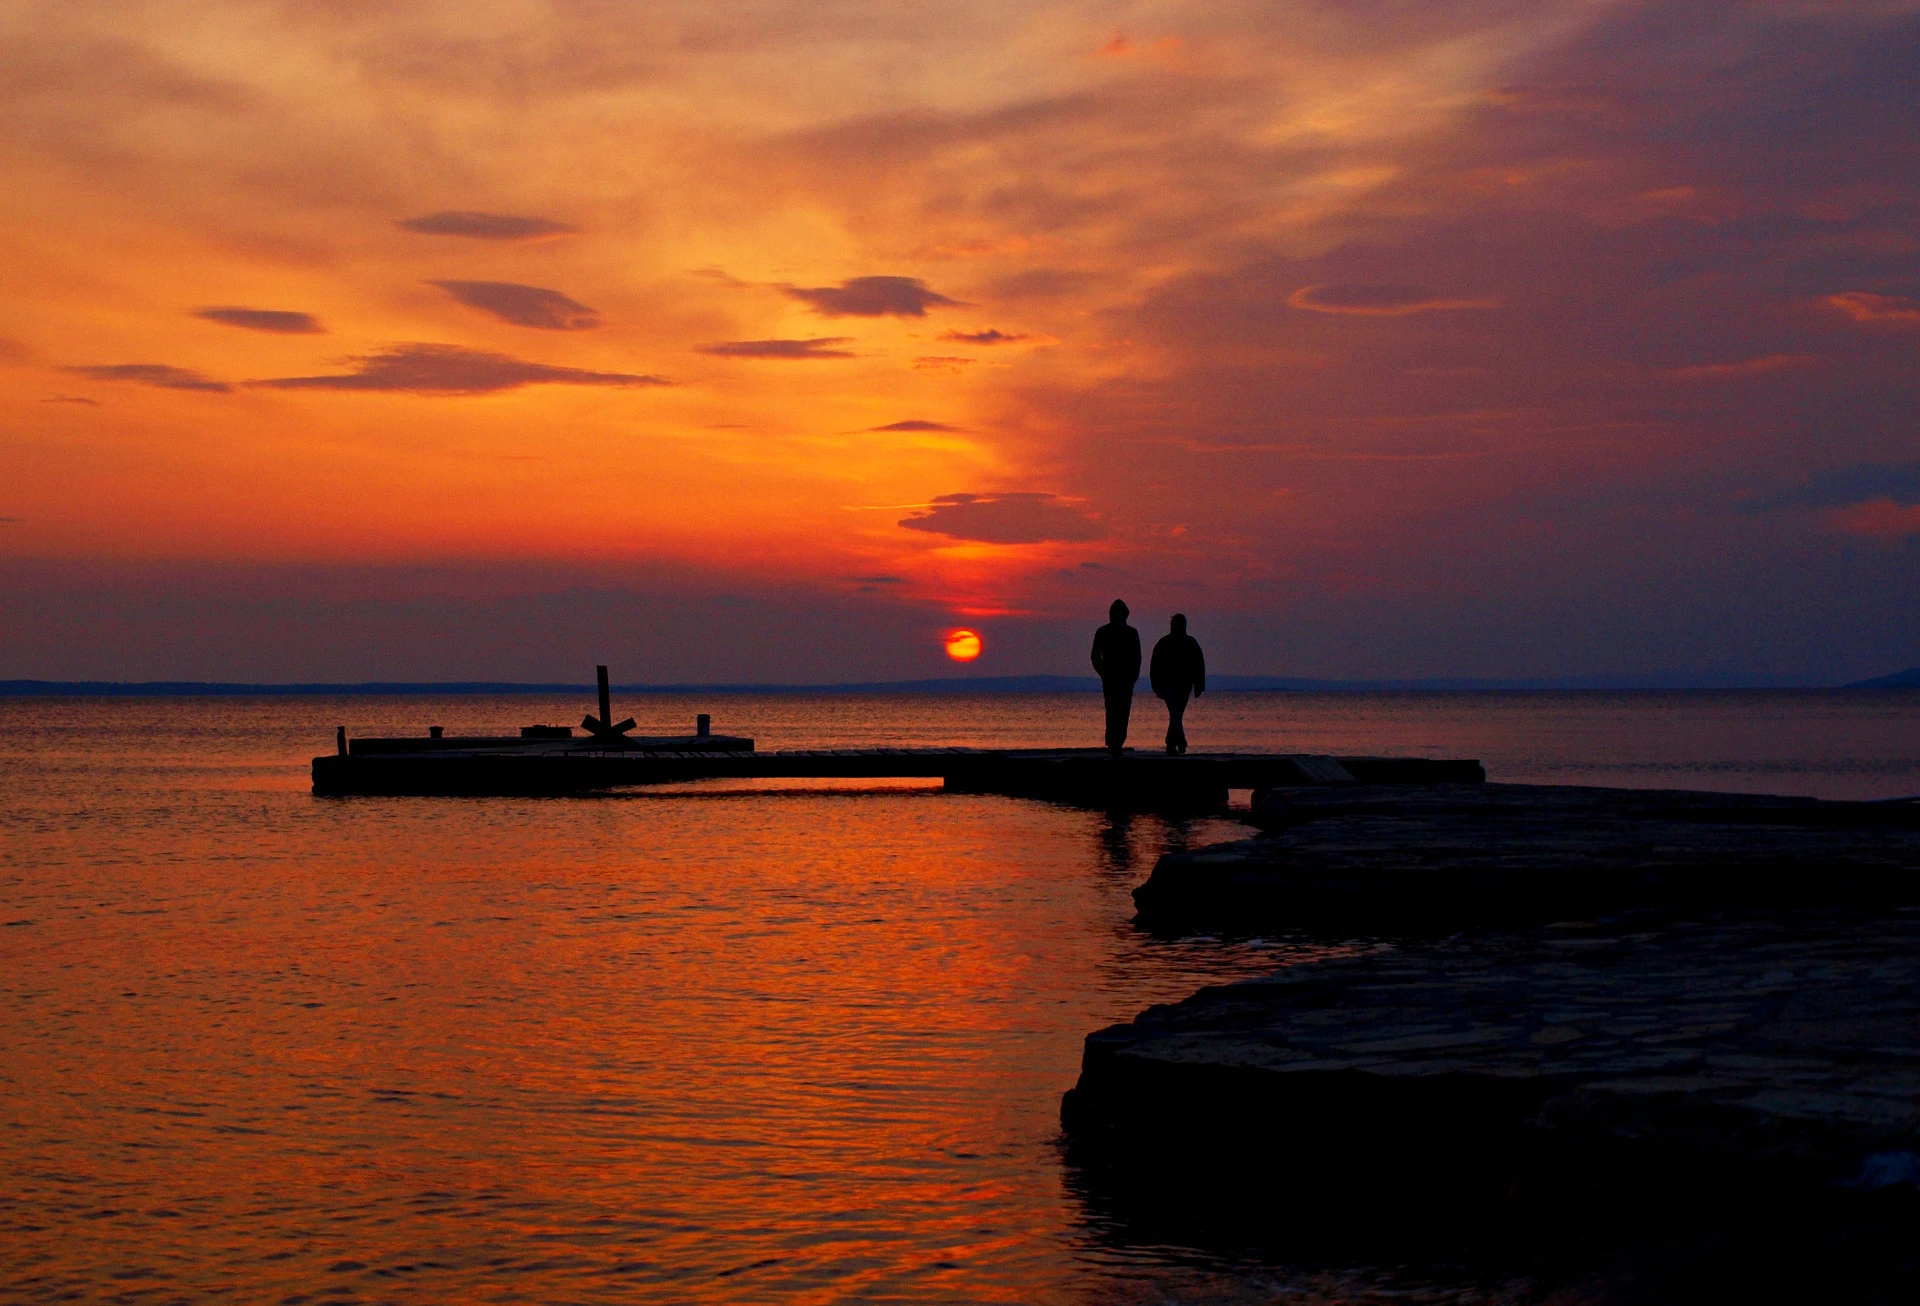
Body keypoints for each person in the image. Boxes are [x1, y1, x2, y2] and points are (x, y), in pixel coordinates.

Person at [1089, 599, 1142, 756]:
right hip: (1114, 678)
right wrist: (1103, 672)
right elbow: (1095, 656)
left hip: (1122, 678)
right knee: (1116, 710)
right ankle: (1114, 743)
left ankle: (1116, 742)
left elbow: (1137, 657)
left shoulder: (1130, 633)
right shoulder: (1106, 632)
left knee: (1117, 711)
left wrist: (1133, 675)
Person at [1150, 613, 1206, 754]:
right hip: (1173, 685)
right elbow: (1199, 664)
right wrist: (1156, 685)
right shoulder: (1184, 643)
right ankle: (1175, 742)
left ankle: (1177, 742)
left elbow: (1199, 664)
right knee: (1176, 712)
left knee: (1176, 713)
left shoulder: (1166, 643)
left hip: (1181, 685)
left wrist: (1199, 684)